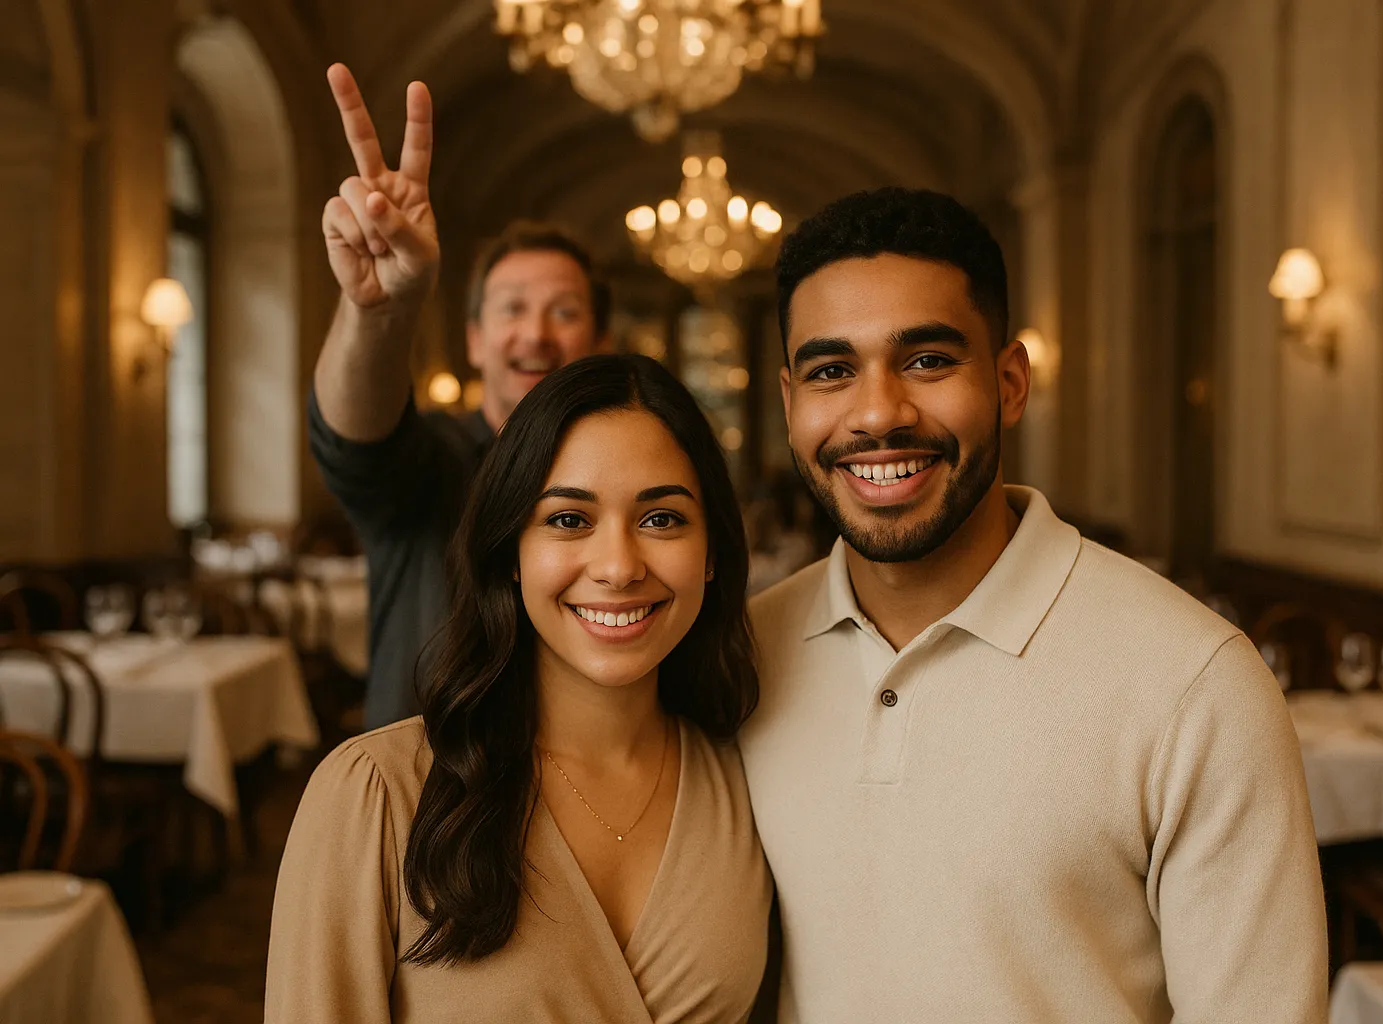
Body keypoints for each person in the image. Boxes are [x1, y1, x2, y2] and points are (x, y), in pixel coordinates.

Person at [741, 188, 1328, 1023]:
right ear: (792, 402)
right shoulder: (742, 656)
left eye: (928, 361)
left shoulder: (1197, 684)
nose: (878, 412)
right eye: (832, 370)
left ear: (1009, 383)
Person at [267, 354, 772, 1022]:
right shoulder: (375, 794)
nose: (619, 567)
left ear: (711, 554)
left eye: (661, 519)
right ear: (510, 551)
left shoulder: (750, 784)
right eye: (569, 520)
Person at [309, 64, 608, 728]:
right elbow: (352, 441)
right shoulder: (431, 464)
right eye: (512, 309)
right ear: (475, 339)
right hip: (429, 800)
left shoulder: (625, 475)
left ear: (601, 339)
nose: (535, 333)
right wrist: (380, 311)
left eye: (563, 312)